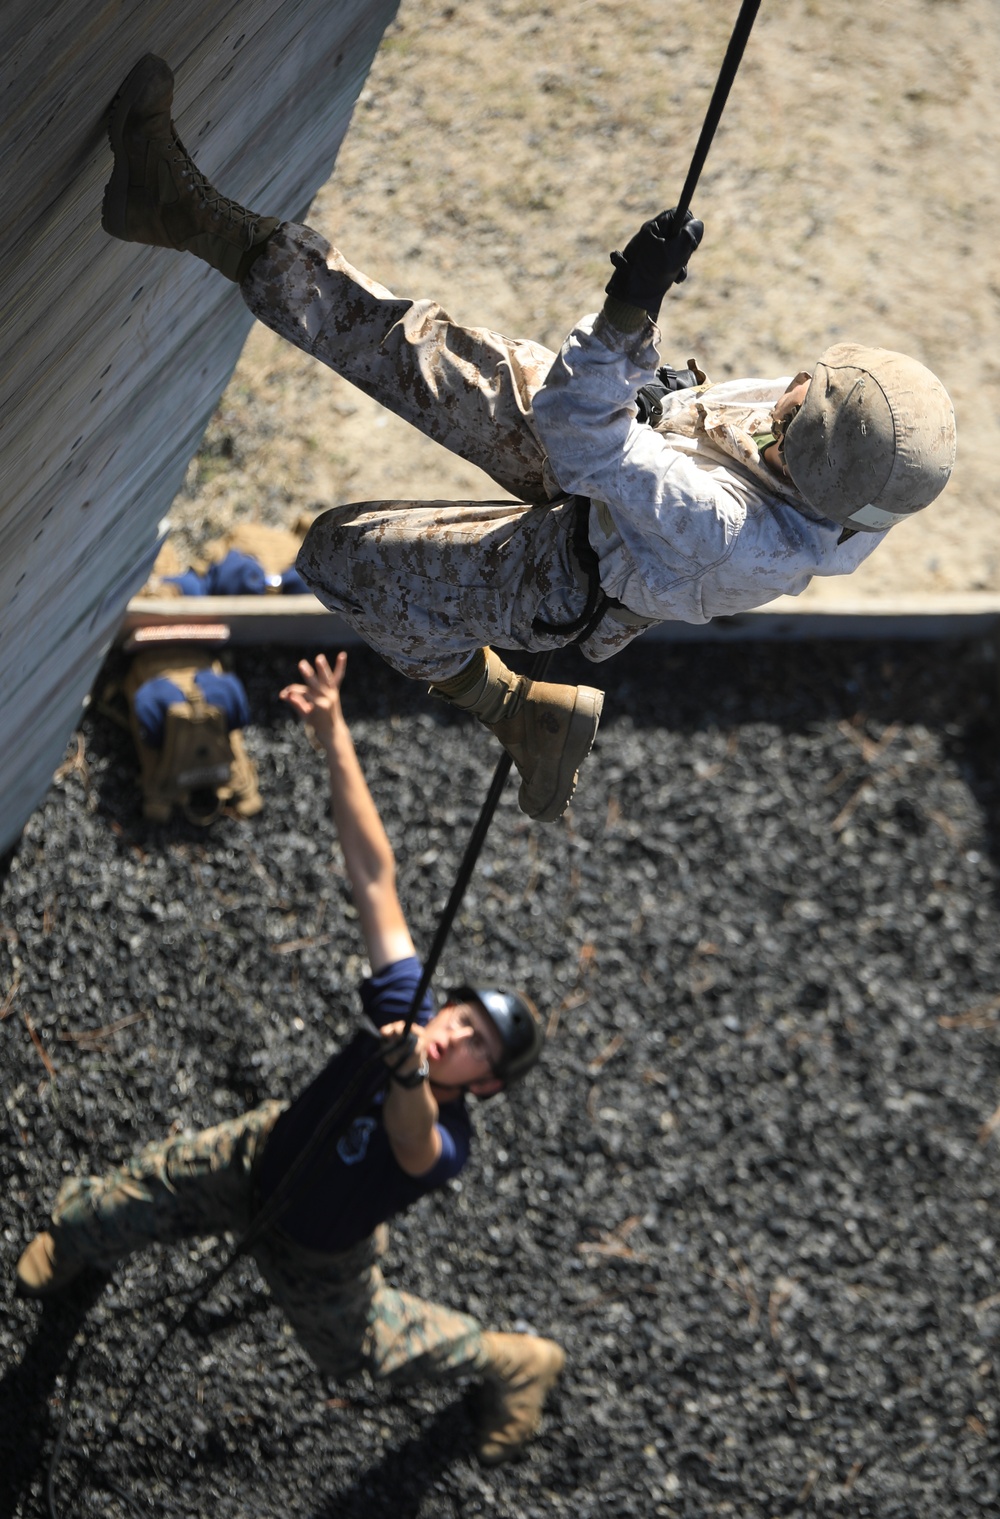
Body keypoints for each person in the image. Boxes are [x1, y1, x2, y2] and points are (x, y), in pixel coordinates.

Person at [100, 56, 957, 821]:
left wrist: (628, 308)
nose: (798, 378)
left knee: (342, 559)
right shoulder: (835, 457)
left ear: (800, 445)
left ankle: (510, 704)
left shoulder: (733, 530)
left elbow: (582, 435)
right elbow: (634, 433)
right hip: (633, 464)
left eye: (806, 396)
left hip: (574, 569)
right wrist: (655, 379)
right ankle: (177, 208)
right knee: (400, 342)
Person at [15, 651, 563, 1467]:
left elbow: (410, 1139)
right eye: (462, 1015)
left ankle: (515, 1359)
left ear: (479, 1082)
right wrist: (334, 733)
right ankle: (80, 1241)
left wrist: (410, 1071)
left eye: (475, 1045)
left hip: (321, 1252)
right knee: (118, 1200)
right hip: (256, 1157)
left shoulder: (446, 1141)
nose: (454, 1032)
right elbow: (374, 876)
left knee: (359, 1356)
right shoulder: (405, 1008)